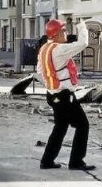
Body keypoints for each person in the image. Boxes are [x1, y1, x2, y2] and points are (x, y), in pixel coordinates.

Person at [37, 19, 95, 171]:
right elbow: (82, 44)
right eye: (64, 31)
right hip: (63, 96)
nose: (67, 34)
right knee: (83, 125)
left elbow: (39, 71)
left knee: (60, 127)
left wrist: (53, 82)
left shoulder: (44, 49)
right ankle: (76, 162)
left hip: (52, 95)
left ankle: (47, 161)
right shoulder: (59, 49)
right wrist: (82, 26)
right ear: (56, 34)